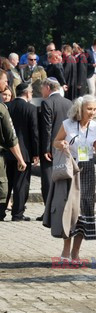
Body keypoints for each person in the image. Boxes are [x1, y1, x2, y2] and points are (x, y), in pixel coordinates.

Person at [51, 95, 96, 260]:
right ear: (80, 109)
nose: (92, 112)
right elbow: (55, 142)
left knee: (84, 210)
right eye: (89, 109)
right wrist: (62, 144)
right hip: (71, 168)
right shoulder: (68, 124)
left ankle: (76, 252)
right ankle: (66, 250)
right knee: (71, 209)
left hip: (87, 170)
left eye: (94, 109)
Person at [38, 78, 73, 220]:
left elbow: (47, 127)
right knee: (63, 178)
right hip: (66, 146)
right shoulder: (69, 102)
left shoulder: (47, 103)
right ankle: (63, 210)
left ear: (47, 87)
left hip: (52, 147)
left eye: (42, 88)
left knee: (48, 179)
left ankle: (49, 212)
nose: (41, 91)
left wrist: (46, 148)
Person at [5, 83, 39, 221]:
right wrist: (36, 152)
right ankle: (17, 213)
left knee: (6, 182)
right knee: (21, 183)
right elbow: (34, 132)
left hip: (7, 151)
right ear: (27, 93)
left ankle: (1, 211)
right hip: (25, 152)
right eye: (31, 92)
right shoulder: (31, 108)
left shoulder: (7, 106)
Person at [0, 69, 28, 221]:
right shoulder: (2, 109)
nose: (6, 84)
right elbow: (11, 137)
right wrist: (21, 159)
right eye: (5, 81)